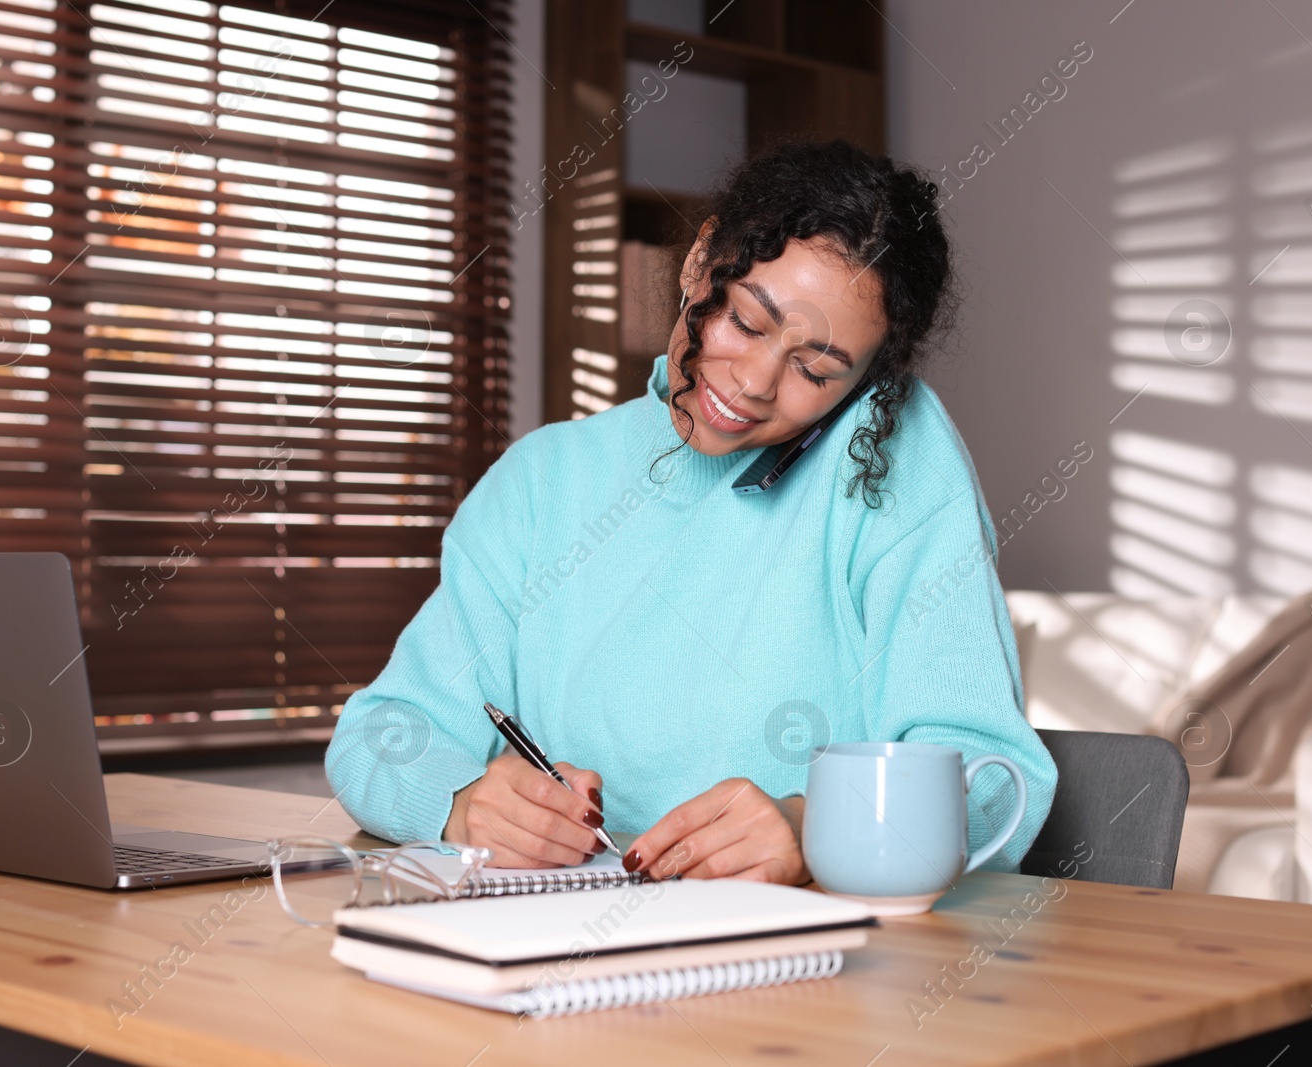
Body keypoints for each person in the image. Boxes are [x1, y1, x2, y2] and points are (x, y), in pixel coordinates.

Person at [326, 138, 1057, 885]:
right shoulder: (541, 480)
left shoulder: (887, 448)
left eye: (815, 369)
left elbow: (995, 782)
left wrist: (817, 828)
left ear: (868, 381)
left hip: (815, 972)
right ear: (699, 261)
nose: (754, 383)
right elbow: (380, 734)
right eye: (744, 320)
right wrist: (461, 804)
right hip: (565, 952)